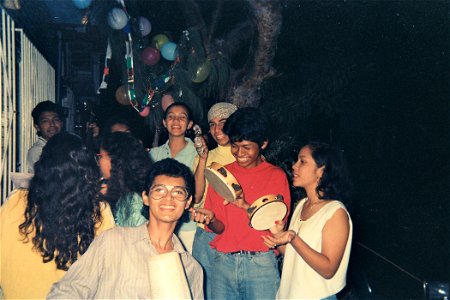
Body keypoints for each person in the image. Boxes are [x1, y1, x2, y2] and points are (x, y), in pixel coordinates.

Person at [48, 158, 204, 299]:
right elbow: (69, 290)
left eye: (178, 192)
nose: (168, 198)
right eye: (159, 190)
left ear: (188, 201)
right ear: (145, 197)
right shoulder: (114, 241)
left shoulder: (191, 268)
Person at [191, 107, 291, 299]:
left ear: (263, 144)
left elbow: (276, 228)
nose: (239, 152)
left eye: (246, 147)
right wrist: (210, 219)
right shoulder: (221, 174)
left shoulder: (276, 176)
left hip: (260, 265)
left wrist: (245, 206)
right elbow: (219, 228)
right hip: (222, 264)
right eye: (235, 146)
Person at [0, 132, 115, 299]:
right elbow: (109, 272)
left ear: (43, 166)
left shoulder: (16, 201)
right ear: (87, 171)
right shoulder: (98, 211)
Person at [262, 141, 353, 300]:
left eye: (302, 162)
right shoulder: (303, 205)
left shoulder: (335, 212)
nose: (294, 166)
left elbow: (328, 269)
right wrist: (279, 236)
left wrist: (293, 238)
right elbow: (292, 253)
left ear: (321, 170)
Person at [191, 102, 237, 299]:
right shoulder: (204, 156)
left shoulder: (245, 155)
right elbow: (197, 196)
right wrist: (202, 159)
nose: (217, 130)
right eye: (212, 124)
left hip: (233, 235)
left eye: (223, 122)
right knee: (204, 293)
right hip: (205, 235)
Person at [149, 102, 198, 253]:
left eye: (181, 117)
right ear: (164, 122)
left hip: (187, 228)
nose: (176, 121)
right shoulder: (153, 154)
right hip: (157, 227)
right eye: (171, 117)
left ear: (189, 124)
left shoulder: (199, 155)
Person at [98, 132, 152, 227]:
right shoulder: (123, 192)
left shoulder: (133, 202)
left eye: (101, 156)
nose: (99, 161)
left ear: (113, 160)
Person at [27, 100, 64, 173]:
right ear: (37, 127)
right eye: (45, 121)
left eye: (56, 119)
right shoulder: (37, 151)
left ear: (62, 123)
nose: (52, 124)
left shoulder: (64, 145)